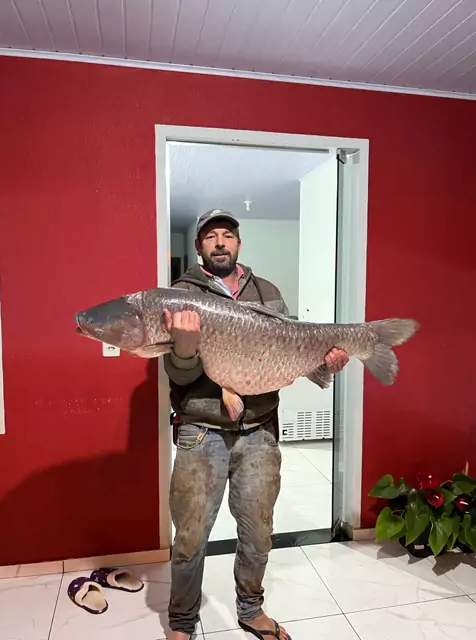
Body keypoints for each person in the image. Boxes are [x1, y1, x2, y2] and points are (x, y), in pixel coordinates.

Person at [163, 209, 349, 640]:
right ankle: (181, 621)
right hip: (201, 431)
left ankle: (250, 609)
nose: (220, 242)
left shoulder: (268, 292)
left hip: (259, 432)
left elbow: (290, 351)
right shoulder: (180, 296)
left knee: (259, 531)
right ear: (199, 246)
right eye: (211, 236)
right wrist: (186, 350)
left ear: (239, 244)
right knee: (190, 535)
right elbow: (179, 376)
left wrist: (324, 362)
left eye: (228, 235)